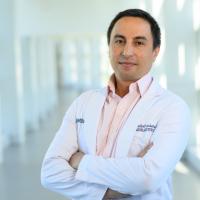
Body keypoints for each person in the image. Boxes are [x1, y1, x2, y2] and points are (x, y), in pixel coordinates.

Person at [41, 8, 191, 200]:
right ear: (109, 47)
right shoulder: (83, 103)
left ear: (155, 51)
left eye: (138, 42)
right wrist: (111, 192)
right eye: (119, 41)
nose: (127, 51)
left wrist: (81, 161)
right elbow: (50, 172)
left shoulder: (172, 108)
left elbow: (147, 177)